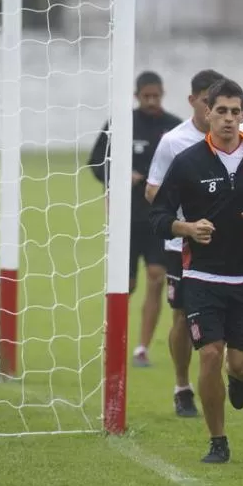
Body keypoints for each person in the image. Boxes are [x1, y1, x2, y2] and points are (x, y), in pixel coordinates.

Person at [149, 78, 243, 464]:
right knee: (210, 354)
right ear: (207, 113)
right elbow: (158, 216)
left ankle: (239, 377)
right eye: (221, 111)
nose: (228, 119)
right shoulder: (188, 161)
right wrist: (186, 228)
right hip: (203, 280)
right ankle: (218, 440)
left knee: (239, 363)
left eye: (235, 111)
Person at [145, 69, 243, 417]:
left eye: (229, 108)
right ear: (197, 103)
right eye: (213, 104)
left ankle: (234, 370)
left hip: (235, 250)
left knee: (231, 328)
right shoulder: (173, 142)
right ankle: (182, 385)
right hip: (184, 245)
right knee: (180, 315)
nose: (222, 114)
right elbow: (153, 192)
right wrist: (187, 224)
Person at [88, 71, 182, 367]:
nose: (152, 101)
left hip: (158, 218)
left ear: (163, 93)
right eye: (146, 96)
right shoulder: (119, 124)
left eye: (156, 96)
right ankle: (112, 339)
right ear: (136, 95)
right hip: (125, 219)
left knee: (156, 278)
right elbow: (95, 162)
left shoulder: (174, 128)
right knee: (126, 285)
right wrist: (117, 178)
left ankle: (141, 348)